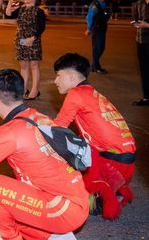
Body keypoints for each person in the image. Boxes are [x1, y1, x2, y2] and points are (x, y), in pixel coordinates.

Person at [0, 69, 88, 240]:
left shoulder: (10, 132)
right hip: (74, 201)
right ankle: (56, 239)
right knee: (9, 200)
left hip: (61, 209)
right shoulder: (37, 115)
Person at [52, 53, 136, 220]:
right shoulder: (92, 92)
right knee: (78, 142)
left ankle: (99, 192)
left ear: (71, 76)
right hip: (127, 163)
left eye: (58, 75)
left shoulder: (75, 94)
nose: (55, 81)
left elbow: (57, 128)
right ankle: (113, 189)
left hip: (113, 164)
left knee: (53, 149)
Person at [6, 0, 46, 100]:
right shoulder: (21, 9)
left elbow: (41, 27)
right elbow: (8, 13)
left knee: (34, 65)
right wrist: (10, 2)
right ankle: (23, 90)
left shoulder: (39, 11)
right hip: (20, 40)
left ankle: (34, 90)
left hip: (33, 41)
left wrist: (32, 38)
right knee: (23, 66)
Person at [85, 0, 110, 74]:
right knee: (98, 48)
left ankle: (93, 65)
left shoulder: (102, 4)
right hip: (96, 28)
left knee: (101, 47)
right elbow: (89, 17)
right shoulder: (95, 4)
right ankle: (96, 67)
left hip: (102, 28)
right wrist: (88, 28)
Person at [133, 0, 149, 106]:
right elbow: (136, 20)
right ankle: (146, 97)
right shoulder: (138, 4)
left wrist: (147, 25)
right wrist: (137, 24)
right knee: (144, 70)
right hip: (140, 40)